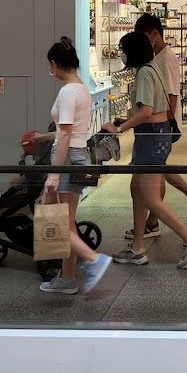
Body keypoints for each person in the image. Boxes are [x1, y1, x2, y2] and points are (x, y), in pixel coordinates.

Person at [105, 31, 187, 269]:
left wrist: (120, 129)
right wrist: (126, 120)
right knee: (137, 190)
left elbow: (146, 112)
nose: (121, 54)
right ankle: (138, 247)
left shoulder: (143, 73)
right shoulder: (151, 69)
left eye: (123, 49)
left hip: (151, 138)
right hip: (153, 135)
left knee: (150, 198)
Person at [38, 37, 112, 295]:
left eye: (50, 65)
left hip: (67, 159)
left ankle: (93, 260)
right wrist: (43, 137)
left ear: (55, 64)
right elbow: (68, 131)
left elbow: (66, 134)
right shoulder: (81, 88)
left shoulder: (68, 91)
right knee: (67, 222)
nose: (50, 70)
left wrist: (54, 175)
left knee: (56, 222)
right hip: (78, 156)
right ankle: (67, 278)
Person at [131, 13, 187, 241]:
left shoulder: (166, 59)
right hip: (157, 127)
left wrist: (163, 122)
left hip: (159, 128)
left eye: (144, 37)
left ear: (154, 34)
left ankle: (161, 223)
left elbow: (172, 95)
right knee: (158, 171)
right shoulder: (156, 59)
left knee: (152, 178)